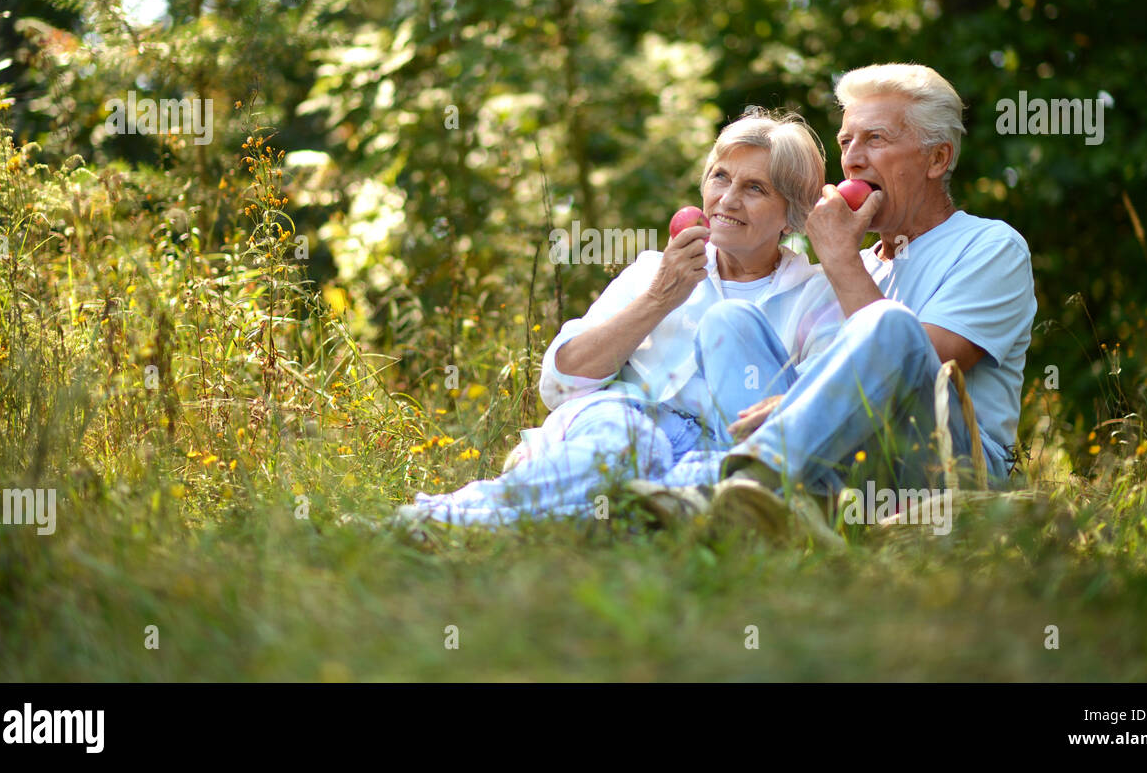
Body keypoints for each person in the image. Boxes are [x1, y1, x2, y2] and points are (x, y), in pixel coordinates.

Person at [393, 108, 841, 527]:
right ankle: (441, 518)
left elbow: (822, 414)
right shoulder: (654, 269)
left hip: (716, 453)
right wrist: (658, 299)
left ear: (793, 213)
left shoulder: (815, 294)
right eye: (720, 177)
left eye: (755, 188)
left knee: (650, 505)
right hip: (622, 421)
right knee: (627, 444)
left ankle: (491, 523)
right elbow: (559, 384)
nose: (727, 198)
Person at [650, 64, 1038, 536]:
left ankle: (743, 482)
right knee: (730, 321)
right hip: (854, 466)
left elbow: (918, 371)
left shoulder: (991, 247)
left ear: (937, 159)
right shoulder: (860, 264)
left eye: (875, 139)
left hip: (950, 470)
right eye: (845, 142)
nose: (852, 160)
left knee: (892, 325)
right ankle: (759, 513)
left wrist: (837, 258)